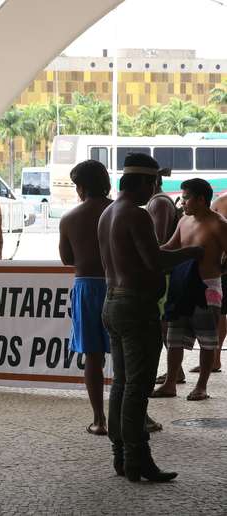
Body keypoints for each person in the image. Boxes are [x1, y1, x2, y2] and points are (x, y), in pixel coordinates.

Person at [98, 153, 201, 482]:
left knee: (121, 385)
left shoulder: (108, 212)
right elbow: (155, 261)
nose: (155, 190)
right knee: (137, 388)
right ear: (143, 182)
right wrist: (191, 252)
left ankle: (120, 456)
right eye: (154, 183)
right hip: (136, 307)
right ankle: (138, 460)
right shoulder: (136, 214)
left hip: (111, 302)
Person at [152, 178, 227, 401]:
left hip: (207, 288)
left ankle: (202, 386)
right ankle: (170, 382)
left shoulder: (219, 224)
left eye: (186, 198)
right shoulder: (184, 220)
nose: (182, 202)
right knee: (173, 337)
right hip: (181, 284)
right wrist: (148, 252)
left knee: (207, 340)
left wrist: (220, 269)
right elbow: (170, 247)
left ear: (201, 199)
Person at [58, 160, 112, 436]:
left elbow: (67, 258)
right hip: (119, 285)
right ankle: (139, 416)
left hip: (86, 287)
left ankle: (99, 419)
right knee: (128, 355)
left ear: (80, 187)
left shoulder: (70, 218)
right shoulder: (121, 212)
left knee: (93, 356)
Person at [148, 170, 186, 386]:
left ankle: (175, 372)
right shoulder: (158, 201)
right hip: (166, 271)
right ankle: (176, 370)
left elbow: (160, 239)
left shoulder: (159, 202)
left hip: (166, 273)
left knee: (165, 324)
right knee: (164, 324)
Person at [209, 192, 227, 373]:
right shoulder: (221, 201)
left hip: (222, 265)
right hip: (221, 265)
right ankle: (214, 358)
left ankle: (214, 358)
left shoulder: (221, 202)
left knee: (220, 311)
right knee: (220, 311)